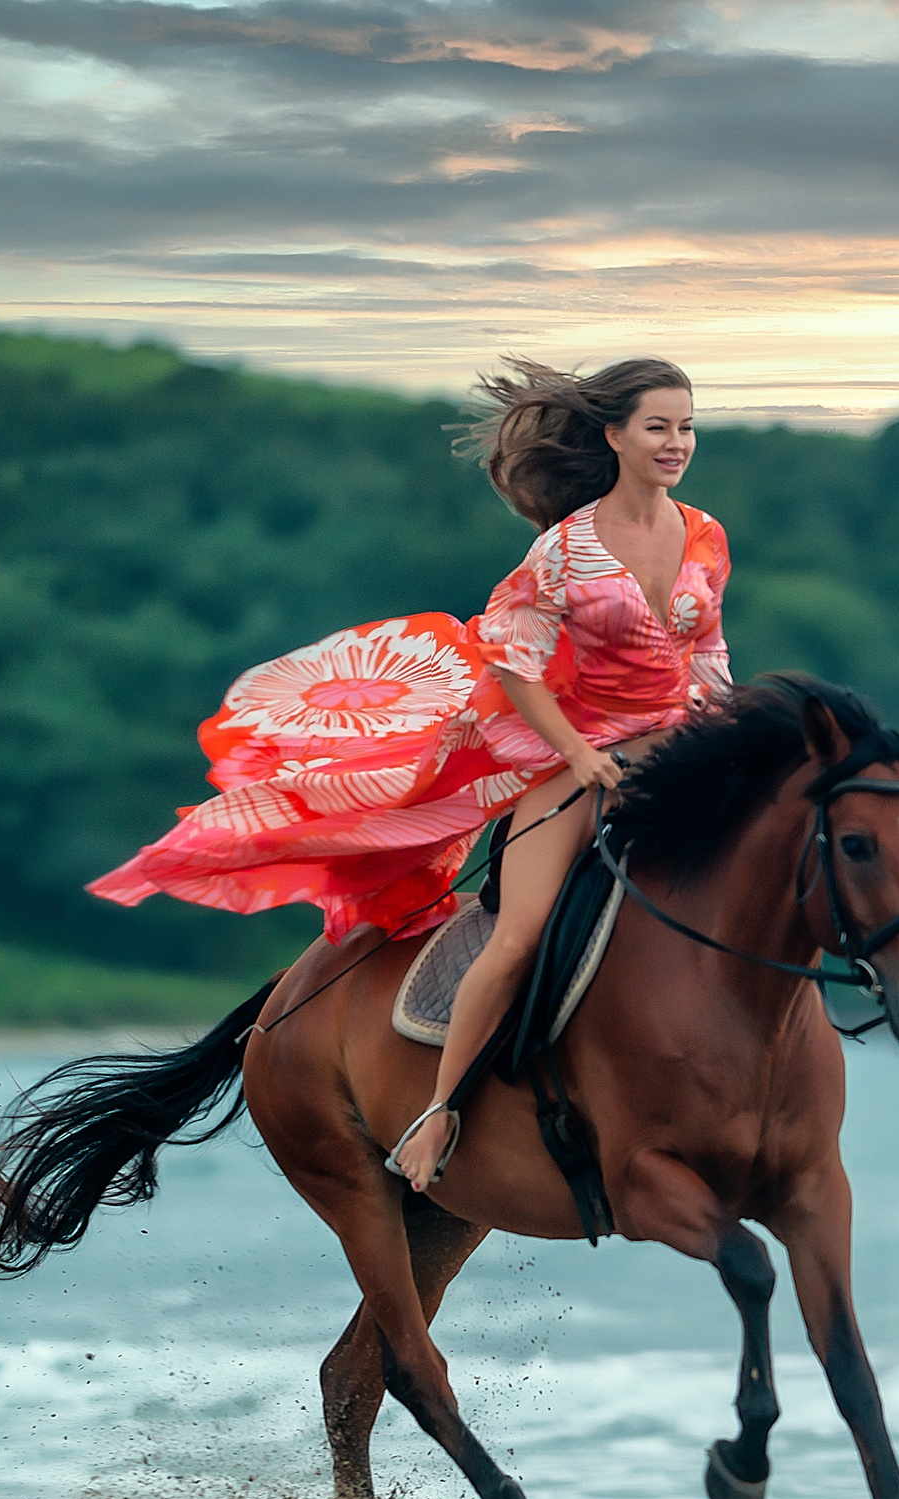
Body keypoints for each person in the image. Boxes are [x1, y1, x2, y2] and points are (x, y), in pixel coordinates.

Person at [91, 356, 732, 1189]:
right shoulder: (564, 550)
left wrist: (726, 727)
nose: (677, 442)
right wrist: (578, 754)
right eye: (659, 426)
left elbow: (707, 651)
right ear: (614, 435)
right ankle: (440, 1113)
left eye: (687, 426)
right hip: (577, 756)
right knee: (519, 934)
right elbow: (515, 666)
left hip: (676, 747)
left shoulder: (705, 533)